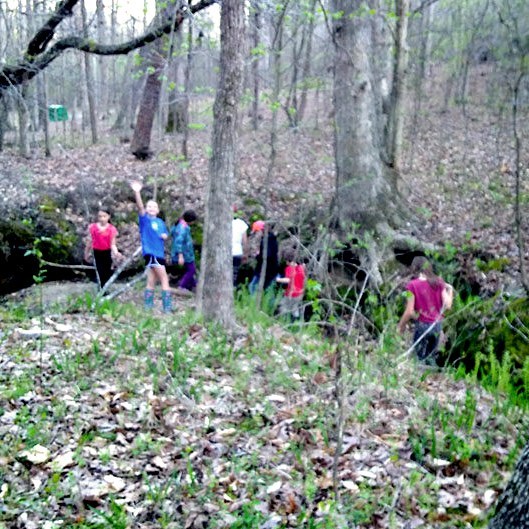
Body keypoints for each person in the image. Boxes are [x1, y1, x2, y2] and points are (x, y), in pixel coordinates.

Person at [397, 256, 453, 365]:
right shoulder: (439, 282)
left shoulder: (411, 286)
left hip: (422, 326)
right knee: (431, 360)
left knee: (418, 361)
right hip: (437, 326)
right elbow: (448, 305)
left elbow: (409, 311)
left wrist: (401, 326)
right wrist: (450, 290)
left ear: (414, 268)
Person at [130, 181, 172, 313]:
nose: (151, 208)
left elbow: (164, 233)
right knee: (164, 279)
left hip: (159, 253)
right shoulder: (145, 220)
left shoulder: (160, 222)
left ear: (158, 210)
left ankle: (148, 308)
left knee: (151, 280)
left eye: (154, 207)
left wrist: (165, 236)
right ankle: (167, 308)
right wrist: (137, 192)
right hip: (152, 253)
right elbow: (140, 207)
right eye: (149, 206)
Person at [84, 208, 122, 288]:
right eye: (100, 216)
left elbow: (113, 244)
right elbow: (89, 241)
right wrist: (86, 253)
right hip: (96, 252)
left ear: (108, 217)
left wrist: (116, 253)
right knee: (99, 271)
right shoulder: (93, 227)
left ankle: (104, 288)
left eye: (104, 216)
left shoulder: (111, 229)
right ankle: (101, 288)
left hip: (106, 252)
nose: (102, 219)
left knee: (107, 272)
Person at [170, 210, 198, 293]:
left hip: (187, 253)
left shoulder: (180, 225)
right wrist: (180, 255)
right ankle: (181, 286)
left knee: (190, 270)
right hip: (185, 254)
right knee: (191, 270)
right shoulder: (182, 228)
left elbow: (172, 232)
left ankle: (194, 285)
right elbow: (178, 242)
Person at [249, 220, 279, 293]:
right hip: (270, 269)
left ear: (261, 230)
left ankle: (253, 303)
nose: (256, 234)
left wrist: (257, 255)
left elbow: (267, 256)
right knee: (268, 289)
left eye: (256, 232)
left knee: (252, 287)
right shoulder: (272, 239)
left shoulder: (266, 241)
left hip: (265, 270)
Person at [276, 248, 306, 321]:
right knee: (294, 309)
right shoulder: (301, 267)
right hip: (300, 294)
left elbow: (288, 280)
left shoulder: (289, 268)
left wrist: (278, 279)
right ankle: (296, 323)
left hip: (291, 294)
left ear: (287, 260)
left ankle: (284, 322)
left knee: (282, 306)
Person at [232, 206, 248, 286]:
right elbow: (245, 241)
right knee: (235, 273)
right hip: (238, 251)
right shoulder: (242, 224)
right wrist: (245, 254)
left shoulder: (223, 224)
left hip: (227, 252)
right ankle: (233, 289)